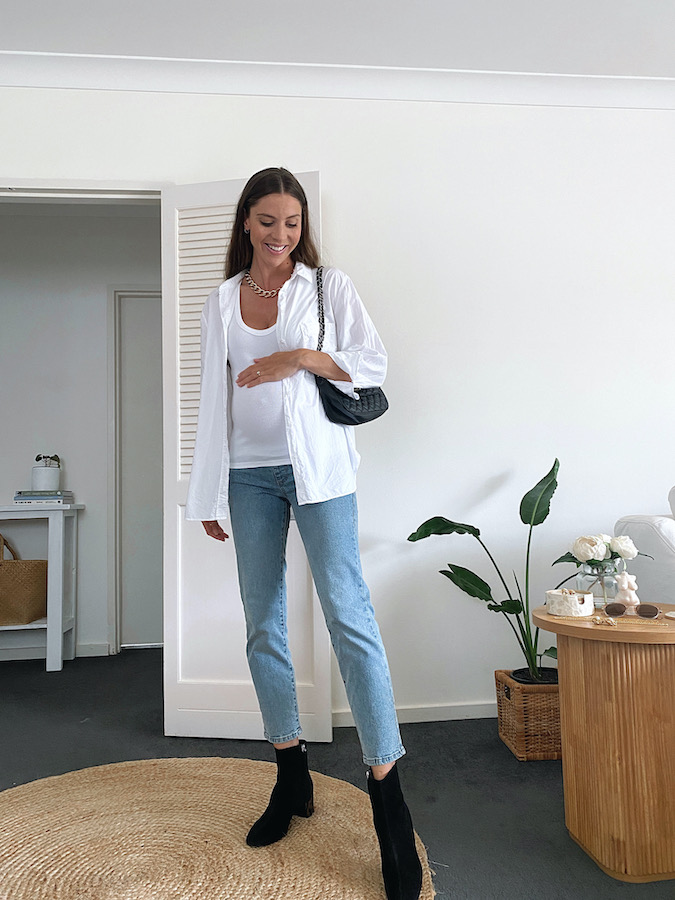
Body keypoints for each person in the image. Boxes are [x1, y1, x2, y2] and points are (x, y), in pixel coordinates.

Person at [185, 167, 422, 900]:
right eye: (266, 222)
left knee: (350, 617)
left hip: (320, 475)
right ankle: (290, 776)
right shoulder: (222, 301)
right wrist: (204, 492)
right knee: (262, 626)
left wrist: (299, 356)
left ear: (301, 224)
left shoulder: (326, 287)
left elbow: (371, 364)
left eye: (290, 222)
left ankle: (387, 794)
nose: (279, 235)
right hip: (247, 477)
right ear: (245, 224)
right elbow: (209, 398)